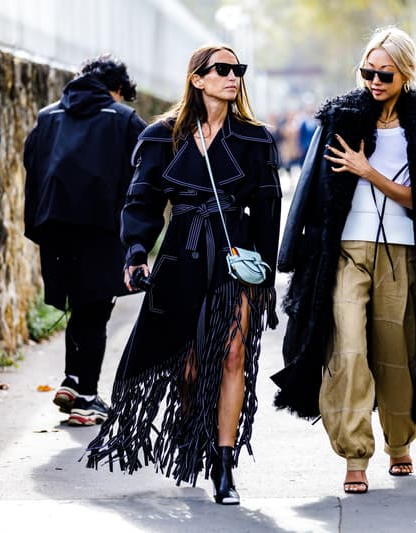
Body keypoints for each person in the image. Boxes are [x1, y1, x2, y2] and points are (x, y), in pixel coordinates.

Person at [273, 26, 416, 495]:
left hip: (404, 253)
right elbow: (311, 189)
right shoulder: (340, 117)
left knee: (398, 355)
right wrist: (292, 255)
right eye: (367, 71)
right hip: (346, 251)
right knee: (347, 350)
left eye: (384, 73)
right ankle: (355, 453)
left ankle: (399, 441)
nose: (373, 80)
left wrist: (369, 172)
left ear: (405, 72)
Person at [85, 45, 282, 506]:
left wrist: (265, 273)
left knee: (233, 355)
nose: (232, 77)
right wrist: (135, 250)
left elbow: (269, 209)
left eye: (238, 70)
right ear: (197, 79)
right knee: (190, 365)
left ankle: (224, 462)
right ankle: (198, 428)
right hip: (180, 256)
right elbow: (141, 201)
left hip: (236, 257)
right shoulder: (161, 136)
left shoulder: (255, 139)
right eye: (222, 70)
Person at [23, 54, 146, 426]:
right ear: (117, 89)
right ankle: (86, 398)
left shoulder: (48, 117)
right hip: (101, 228)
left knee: (80, 304)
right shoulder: (121, 118)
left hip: (55, 226)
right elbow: (149, 164)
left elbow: (32, 163)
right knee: (96, 308)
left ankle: (73, 381)